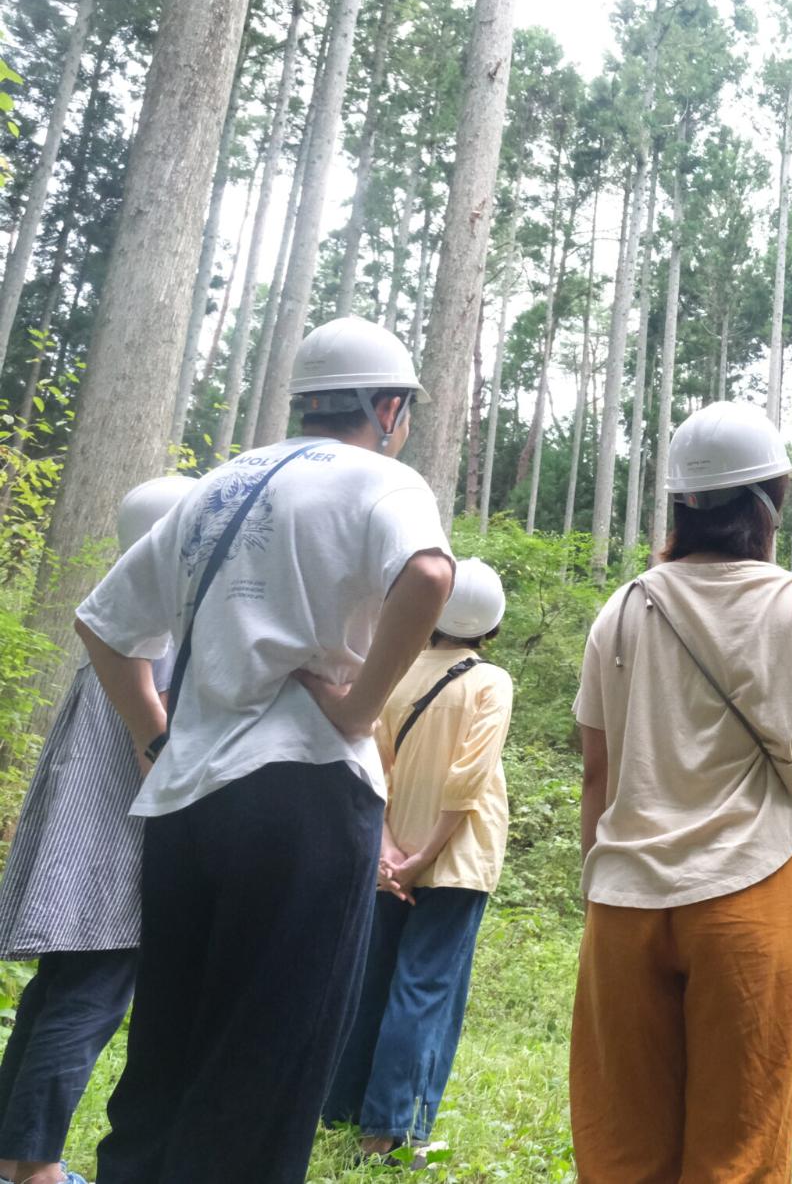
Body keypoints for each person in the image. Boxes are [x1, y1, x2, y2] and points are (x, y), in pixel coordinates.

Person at [73, 316, 455, 1183]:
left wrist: (153, 734)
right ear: (388, 406)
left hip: (187, 801)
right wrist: (359, 708)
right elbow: (430, 575)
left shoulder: (216, 486)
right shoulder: (381, 479)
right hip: (306, 796)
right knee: (272, 1048)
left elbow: (103, 624)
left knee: (167, 1043)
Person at [569, 399, 792, 1183]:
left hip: (625, 900)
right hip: (751, 893)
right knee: (737, 1149)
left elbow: (597, 775)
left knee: (623, 1146)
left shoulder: (624, 609)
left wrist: (599, 881)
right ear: (768, 501)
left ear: (682, 503)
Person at [0, 476, 194, 1184]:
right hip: (117, 854)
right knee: (84, 1007)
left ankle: (12, 1160)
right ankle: (37, 1169)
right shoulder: (165, 627)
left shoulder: (117, 618)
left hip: (79, 848)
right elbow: (170, 745)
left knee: (55, 998)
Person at [325, 557, 514, 1162]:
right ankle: (390, 1131)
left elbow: (370, 763)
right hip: (455, 860)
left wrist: (388, 853)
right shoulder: (491, 682)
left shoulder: (396, 672)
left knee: (374, 981)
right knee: (426, 989)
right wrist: (427, 854)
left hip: (387, 859)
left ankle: (342, 1110)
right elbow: (469, 780)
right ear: (491, 622)